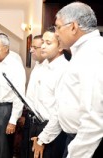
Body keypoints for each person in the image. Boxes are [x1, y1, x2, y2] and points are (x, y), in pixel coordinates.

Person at [32, 2, 103, 158]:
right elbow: (67, 102)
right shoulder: (81, 52)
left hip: (87, 144)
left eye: (57, 27)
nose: (56, 33)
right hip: (73, 138)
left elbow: (94, 118)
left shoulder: (92, 53)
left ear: (73, 27)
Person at [26, 27, 67, 158]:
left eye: (48, 43)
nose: (42, 46)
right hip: (37, 124)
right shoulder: (42, 66)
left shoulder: (64, 70)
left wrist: (43, 139)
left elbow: (59, 112)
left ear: (60, 47)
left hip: (51, 131)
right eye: (43, 42)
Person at [20, 35, 47, 158]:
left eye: (34, 47)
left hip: (43, 123)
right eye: (31, 47)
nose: (31, 51)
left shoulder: (50, 68)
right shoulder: (37, 65)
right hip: (31, 118)